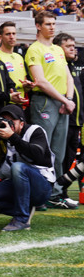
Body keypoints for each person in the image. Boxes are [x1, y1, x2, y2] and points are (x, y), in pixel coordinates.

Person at [25, 11, 77, 209]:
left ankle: (54, 194)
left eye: (54, 23)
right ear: (38, 26)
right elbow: (41, 81)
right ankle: (39, 195)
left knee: (59, 152)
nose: (52, 27)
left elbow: (68, 77)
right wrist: (64, 99)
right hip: (45, 102)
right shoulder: (34, 49)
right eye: (48, 24)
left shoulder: (57, 49)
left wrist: (68, 100)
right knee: (42, 150)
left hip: (62, 103)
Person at [0, 105, 54, 231]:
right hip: (16, 184)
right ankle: (24, 209)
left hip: (41, 187)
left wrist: (12, 137)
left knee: (18, 167)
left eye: (11, 121)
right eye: (4, 120)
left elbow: (37, 154)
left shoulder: (35, 131)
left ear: (22, 123)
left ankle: (21, 219)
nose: (7, 124)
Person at [52, 33, 82, 207]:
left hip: (77, 121)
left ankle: (61, 191)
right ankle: (57, 193)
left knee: (69, 158)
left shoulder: (74, 67)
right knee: (60, 158)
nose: (73, 48)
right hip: (64, 119)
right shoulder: (59, 68)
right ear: (58, 49)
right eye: (68, 45)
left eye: (74, 45)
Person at [0, 21, 28, 99]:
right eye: (8, 34)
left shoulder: (19, 57)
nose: (11, 37)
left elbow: (24, 82)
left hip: (20, 102)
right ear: (0, 37)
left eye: (14, 34)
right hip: (4, 101)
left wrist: (27, 85)